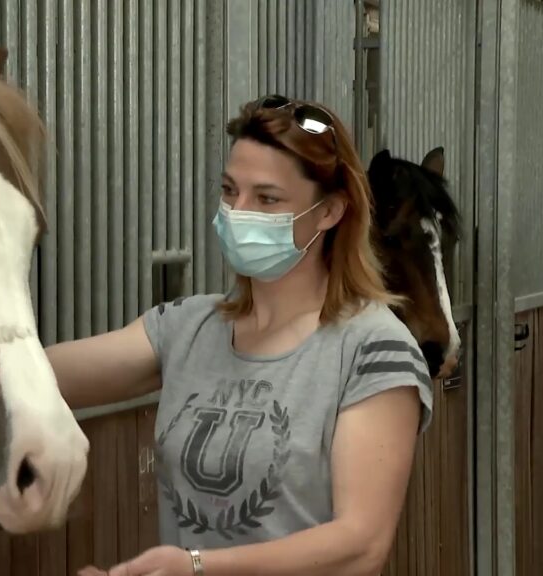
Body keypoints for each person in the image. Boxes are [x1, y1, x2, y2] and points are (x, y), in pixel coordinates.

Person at [52, 95, 433, 576]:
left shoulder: (373, 349)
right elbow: (35, 378)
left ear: (330, 212)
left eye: (267, 198)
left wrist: (195, 567)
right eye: (230, 191)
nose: (238, 211)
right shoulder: (188, 326)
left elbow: (359, 545)